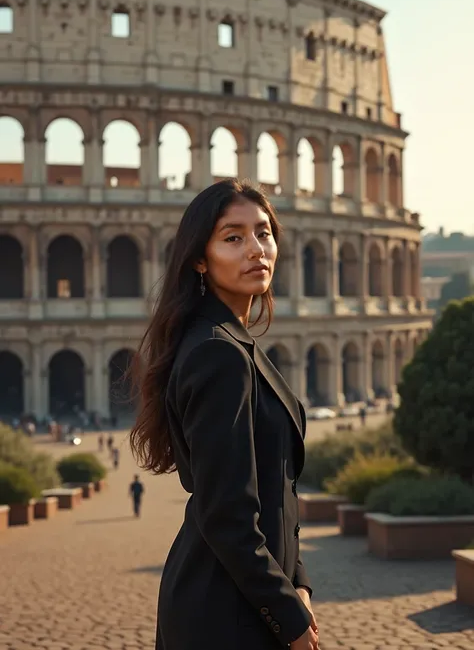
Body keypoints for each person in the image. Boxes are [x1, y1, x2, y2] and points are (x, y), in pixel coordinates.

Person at [130, 179, 319, 650]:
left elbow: (276, 489)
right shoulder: (218, 352)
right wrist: (288, 617)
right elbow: (226, 512)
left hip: (245, 595)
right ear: (200, 257)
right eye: (233, 237)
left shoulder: (233, 341)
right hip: (224, 612)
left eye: (264, 232)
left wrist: (298, 581)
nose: (255, 249)